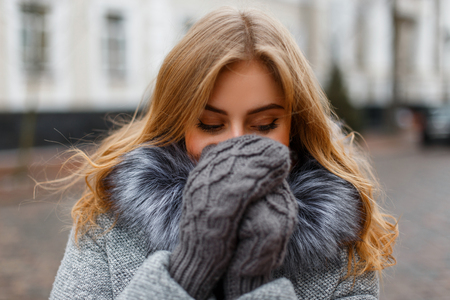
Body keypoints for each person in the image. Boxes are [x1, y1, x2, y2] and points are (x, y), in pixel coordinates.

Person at [49, 6, 398, 300]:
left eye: (263, 125)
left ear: (295, 127)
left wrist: (253, 282)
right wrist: (188, 271)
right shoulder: (111, 221)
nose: (235, 145)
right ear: (177, 124)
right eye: (210, 125)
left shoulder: (339, 238)